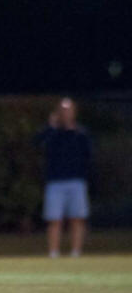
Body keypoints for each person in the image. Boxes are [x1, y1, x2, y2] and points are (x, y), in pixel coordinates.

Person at [36, 98, 91, 258]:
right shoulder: (52, 133)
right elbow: (36, 142)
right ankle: (53, 252)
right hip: (55, 182)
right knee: (54, 219)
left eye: (69, 111)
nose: (66, 114)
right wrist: (51, 126)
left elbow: (89, 155)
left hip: (76, 181)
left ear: (74, 112)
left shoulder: (80, 133)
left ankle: (76, 252)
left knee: (77, 219)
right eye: (63, 111)